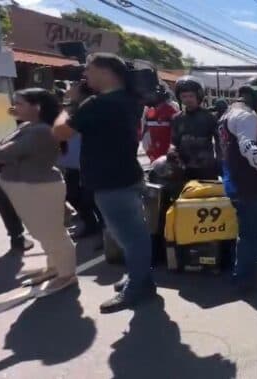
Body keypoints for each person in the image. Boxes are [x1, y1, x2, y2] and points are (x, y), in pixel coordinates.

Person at [53, 53, 155, 313]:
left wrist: (70, 104)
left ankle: (139, 287)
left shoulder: (96, 104)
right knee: (133, 236)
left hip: (111, 182)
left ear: (106, 71)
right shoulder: (130, 100)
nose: (85, 75)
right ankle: (141, 279)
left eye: (88, 69)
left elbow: (60, 132)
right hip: (126, 176)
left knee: (130, 238)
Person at [0, 88, 76, 296]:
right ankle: (54, 267)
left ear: (36, 106)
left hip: (38, 187)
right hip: (29, 186)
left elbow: (5, 153)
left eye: (19, 103)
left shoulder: (41, 130)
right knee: (42, 233)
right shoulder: (31, 126)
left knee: (53, 234)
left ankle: (67, 275)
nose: (14, 107)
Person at [218, 77, 257, 292]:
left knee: (249, 231)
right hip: (249, 183)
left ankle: (247, 269)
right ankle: (244, 277)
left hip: (236, 180)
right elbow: (247, 147)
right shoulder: (246, 115)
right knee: (250, 234)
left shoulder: (229, 112)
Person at [60, 81, 103, 239]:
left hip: (88, 163)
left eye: (73, 88)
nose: (69, 90)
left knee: (92, 200)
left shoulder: (90, 108)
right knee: (72, 195)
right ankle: (91, 225)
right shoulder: (67, 108)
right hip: (71, 163)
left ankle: (105, 234)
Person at [170, 76, 220, 181]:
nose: (188, 99)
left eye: (191, 96)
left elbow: (220, 142)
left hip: (206, 169)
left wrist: (220, 161)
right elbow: (174, 141)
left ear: (199, 96)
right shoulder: (177, 118)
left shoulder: (210, 117)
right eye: (184, 96)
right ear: (179, 98)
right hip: (184, 168)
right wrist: (171, 150)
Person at [142, 84, 179, 162]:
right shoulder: (148, 111)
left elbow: (176, 132)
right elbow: (145, 133)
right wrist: (149, 152)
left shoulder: (171, 109)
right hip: (154, 153)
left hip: (168, 152)